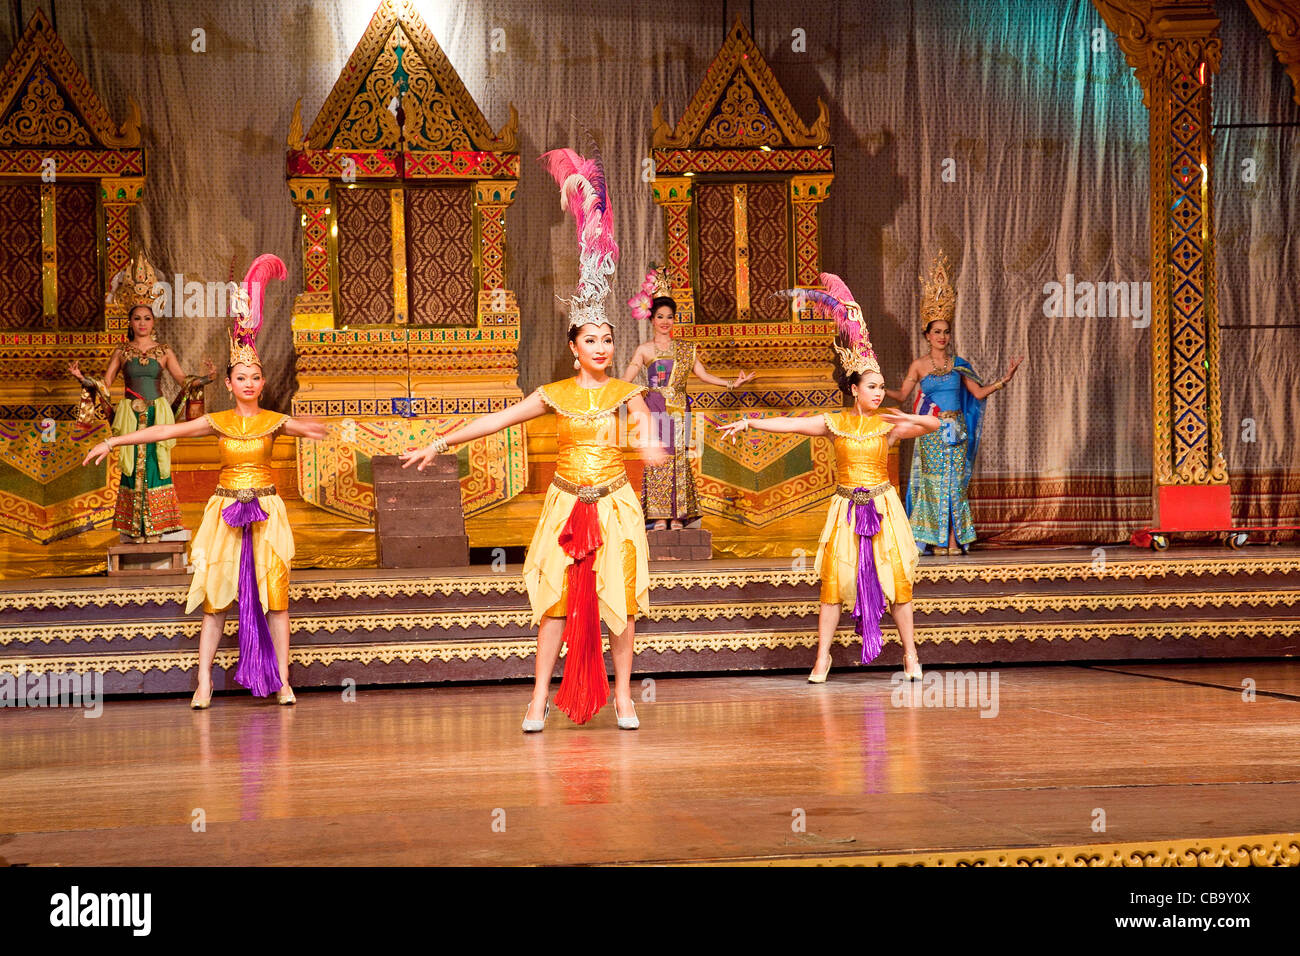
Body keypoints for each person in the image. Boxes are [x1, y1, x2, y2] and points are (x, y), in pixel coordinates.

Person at [403, 145, 666, 733]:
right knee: (552, 605)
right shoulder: (552, 393)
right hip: (567, 504)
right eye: (591, 339)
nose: (602, 346)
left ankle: (624, 697)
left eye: (607, 338)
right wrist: (438, 443)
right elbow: (494, 421)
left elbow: (651, 432)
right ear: (574, 346)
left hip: (617, 506)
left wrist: (653, 442)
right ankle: (536, 699)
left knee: (618, 607)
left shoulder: (627, 394)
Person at [83, 255, 326, 709]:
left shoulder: (276, 421)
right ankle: (204, 682)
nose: (249, 382)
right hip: (226, 514)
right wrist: (116, 443)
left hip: (267, 513)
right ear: (230, 383)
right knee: (216, 599)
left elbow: (314, 427)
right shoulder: (215, 420)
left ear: (262, 380)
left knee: (276, 598)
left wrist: (322, 426)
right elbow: (163, 431)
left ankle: (284, 680)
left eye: (255, 376)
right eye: (241, 377)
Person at [719, 274, 939, 681]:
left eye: (882, 386)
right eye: (872, 386)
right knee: (835, 583)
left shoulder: (887, 424)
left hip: (883, 508)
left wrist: (909, 416)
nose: (879, 392)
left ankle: (911, 655)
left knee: (896, 580)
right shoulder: (834, 422)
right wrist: (750, 422)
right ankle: (823, 657)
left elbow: (933, 426)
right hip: (845, 509)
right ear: (855, 388)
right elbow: (792, 425)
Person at [70, 252, 214, 542]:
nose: (142, 323)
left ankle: (158, 526)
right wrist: (83, 379)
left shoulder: (164, 351)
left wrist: (206, 378)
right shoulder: (122, 352)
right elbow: (105, 384)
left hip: (157, 413)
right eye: (137, 318)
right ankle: (133, 528)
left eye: (147, 318)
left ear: (153, 320)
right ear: (130, 321)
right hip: (129, 414)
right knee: (130, 467)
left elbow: (183, 381)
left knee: (155, 465)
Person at [885, 252, 1023, 554]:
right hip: (931, 431)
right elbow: (903, 396)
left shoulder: (959, 364)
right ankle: (932, 540)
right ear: (927, 334)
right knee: (934, 485)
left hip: (957, 430)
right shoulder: (919, 366)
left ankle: (952, 538)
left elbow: (977, 394)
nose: (942, 336)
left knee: (955, 486)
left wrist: (1004, 380)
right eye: (937, 332)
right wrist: (878, 390)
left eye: (946, 331)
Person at [623, 269, 754, 529]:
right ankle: (659, 516)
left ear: (674, 319)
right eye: (660, 316)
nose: (665, 321)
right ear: (651, 318)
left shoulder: (686, 348)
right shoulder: (644, 350)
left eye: (670, 317)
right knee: (659, 460)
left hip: (680, 409)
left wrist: (732, 382)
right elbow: (625, 381)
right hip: (655, 410)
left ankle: (676, 516)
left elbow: (703, 375)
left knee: (679, 460)